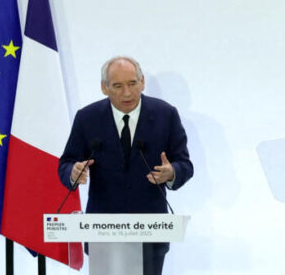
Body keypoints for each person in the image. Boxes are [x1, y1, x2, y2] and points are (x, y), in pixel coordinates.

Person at [58, 56, 193, 275]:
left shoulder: (166, 115)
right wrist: (73, 173)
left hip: (150, 232)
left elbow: (185, 165)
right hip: (103, 232)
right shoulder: (87, 118)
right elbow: (66, 163)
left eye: (132, 83)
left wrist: (171, 173)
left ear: (142, 82)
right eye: (118, 86)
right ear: (104, 87)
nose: (127, 93)